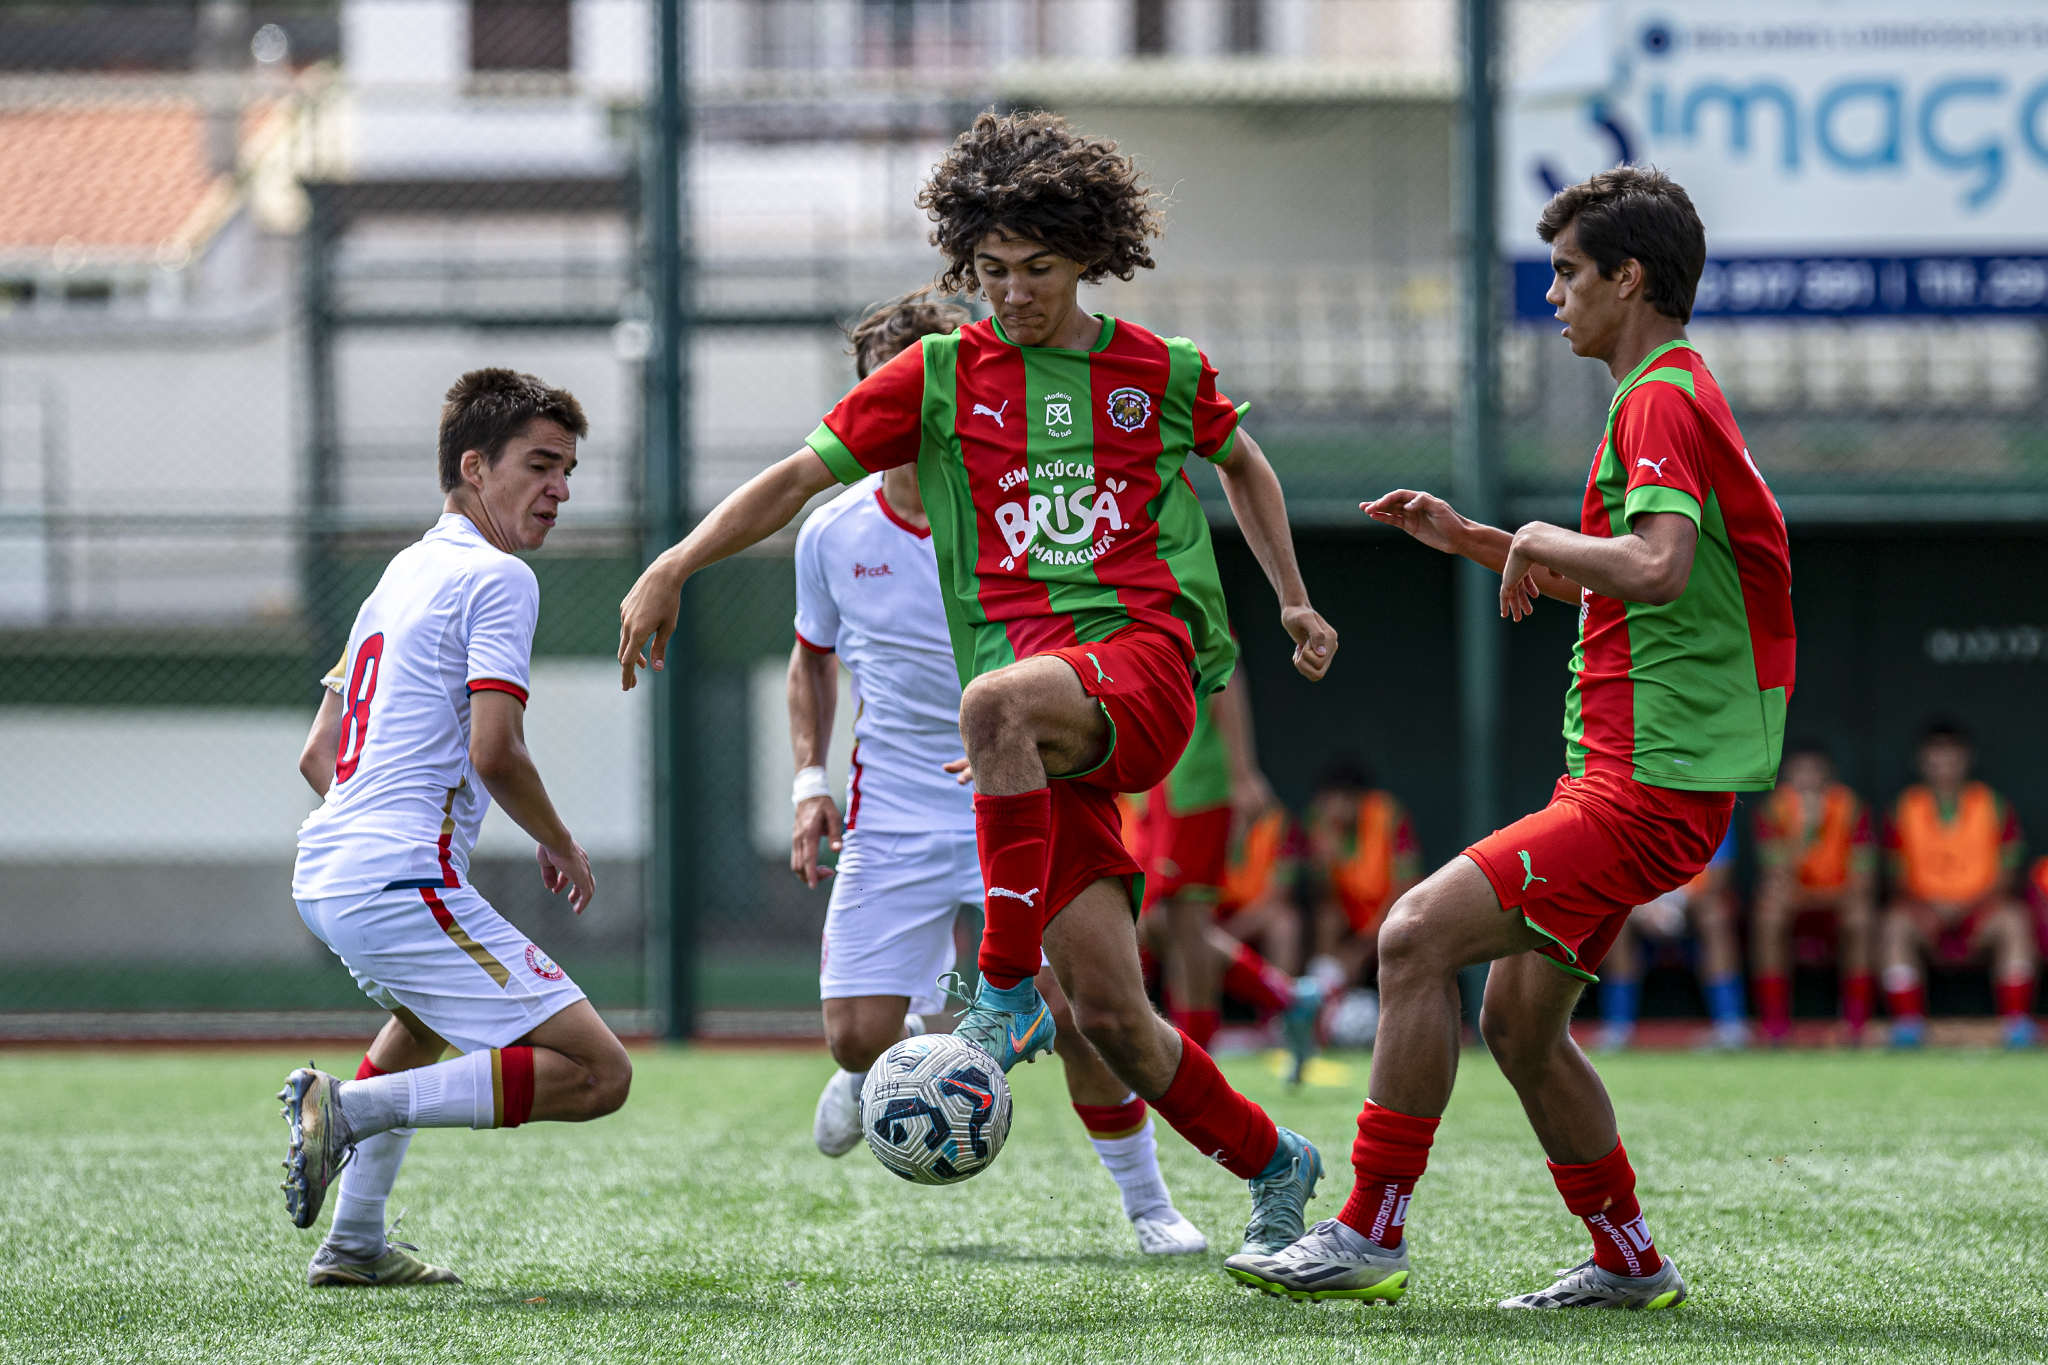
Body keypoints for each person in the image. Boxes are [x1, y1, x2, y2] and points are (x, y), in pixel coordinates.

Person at [618, 110, 1340, 1256]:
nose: (1011, 293)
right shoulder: (942, 378)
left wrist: (1291, 595)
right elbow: (793, 479)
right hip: (1044, 730)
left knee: (989, 704)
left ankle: (998, 994)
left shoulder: (1158, 370)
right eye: (991, 271)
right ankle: (1275, 1165)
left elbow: (1241, 460)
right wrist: (673, 561)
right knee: (1112, 1013)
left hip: (1139, 665)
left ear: (1088, 258)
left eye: (1038, 270)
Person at [1228, 166, 1794, 1310]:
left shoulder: (1659, 398)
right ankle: (1629, 1260)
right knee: (1520, 1026)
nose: (1552, 296)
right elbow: (1633, 579)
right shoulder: (1656, 396)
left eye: (1567, 272)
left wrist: (1533, 535)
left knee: (1410, 938)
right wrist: (1481, 539)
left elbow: (1655, 567)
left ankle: (1368, 1229)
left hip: (1645, 784)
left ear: (1627, 277)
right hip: (1631, 775)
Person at [792, 292, 1206, 1253]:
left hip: (1021, 789)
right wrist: (810, 780)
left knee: (1083, 1008)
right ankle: (879, 1068)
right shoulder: (832, 532)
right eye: (882, 396)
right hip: (891, 805)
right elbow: (811, 657)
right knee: (858, 1032)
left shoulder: (1026, 513)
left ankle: (1150, 1205)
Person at [280, 370, 633, 1286]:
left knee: (422, 1024)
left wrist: (375, 832)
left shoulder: (403, 570)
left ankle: (354, 1242)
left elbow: (320, 749)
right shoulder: (498, 575)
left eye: (569, 469)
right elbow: (496, 750)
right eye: (540, 465)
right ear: (475, 467)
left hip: (331, 869)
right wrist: (559, 838)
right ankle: (343, 1109)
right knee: (599, 1074)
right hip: (393, 876)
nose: (560, 487)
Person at [1129, 669, 1316, 1076]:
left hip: (1194, 784)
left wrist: (1243, 772)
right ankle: (1289, 998)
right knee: (1157, 924)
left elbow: (1227, 674)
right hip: (1157, 785)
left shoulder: (1184, 605)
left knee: (1184, 926)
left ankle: (1195, 1064)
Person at [1879, 722, 2036, 1049]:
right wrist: (1926, 908)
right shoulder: (1904, 807)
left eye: (1951, 758)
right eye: (1935, 759)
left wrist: (1971, 907)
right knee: (1894, 925)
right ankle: (1908, 1026)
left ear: (1967, 759)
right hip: (1925, 914)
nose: (1943, 767)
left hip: (1981, 912)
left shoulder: (1993, 804)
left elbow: (2008, 872)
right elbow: (1897, 875)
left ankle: (2016, 1025)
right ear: (1921, 762)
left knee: (2015, 921)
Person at [1751, 740, 1877, 1045]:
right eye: (1799, 775)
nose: (1807, 783)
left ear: (1829, 777)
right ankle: (1775, 1026)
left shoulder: (1851, 807)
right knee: (1769, 914)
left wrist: (1823, 897)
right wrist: (1803, 832)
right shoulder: (1773, 810)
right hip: (1794, 901)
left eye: (1815, 774)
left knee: (1860, 917)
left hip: (1837, 900)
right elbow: (1776, 878)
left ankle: (1856, 1024)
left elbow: (1864, 881)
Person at [1595, 826, 1745, 1051]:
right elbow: (1620, 870)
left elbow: (1719, 876)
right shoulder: (1632, 806)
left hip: (1693, 904)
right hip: (1642, 903)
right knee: (1616, 918)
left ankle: (1730, 1025)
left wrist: (1678, 903)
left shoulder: (1715, 804)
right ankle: (1617, 1027)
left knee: (1714, 916)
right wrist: (1646, 908)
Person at [1301, 759, 1422, 997]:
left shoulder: (1389, 815)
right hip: (1351, 918)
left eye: (1340, 797)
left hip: (1391, 916)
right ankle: (1322, 997)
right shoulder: (1319, 822)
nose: (1332, 807)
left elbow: (1408, 893)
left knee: (1404, 925)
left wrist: (1360, 949)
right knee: (1328, 918)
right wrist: (1324, 864)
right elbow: (1323, 899)